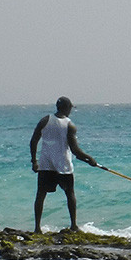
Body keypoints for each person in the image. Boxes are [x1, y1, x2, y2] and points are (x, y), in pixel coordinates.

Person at [29, 96, 98, 233]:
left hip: (46, 165)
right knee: (70, 193)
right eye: (70, 108)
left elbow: (33, 141)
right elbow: (75, 150)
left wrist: (34, 161)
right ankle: (73, 225)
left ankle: (37, 228)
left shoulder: (45, 120)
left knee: (41, 195)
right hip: (63, 166)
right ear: (67, 108)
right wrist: (89, 159)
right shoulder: (69, 125)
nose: (70, 111)